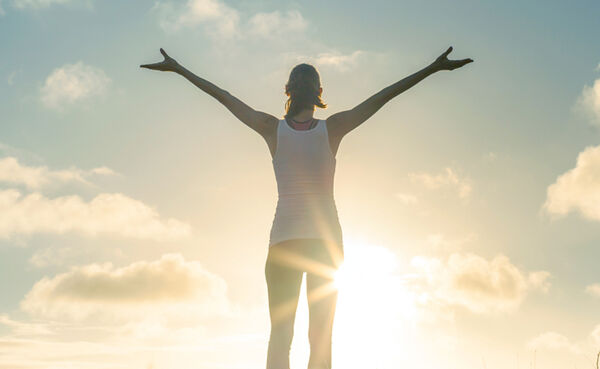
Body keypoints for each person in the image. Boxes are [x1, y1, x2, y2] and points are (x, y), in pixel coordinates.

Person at [140, 46, 473, 369]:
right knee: (319, 336)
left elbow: (224, 96)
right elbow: (382, 97)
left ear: (288, 90)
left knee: (282, 335)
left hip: (286, 244)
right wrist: (432, 68)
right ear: (318, 92)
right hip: (323, 246)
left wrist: (181, 69)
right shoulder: (332, 128)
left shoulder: (275, 129)